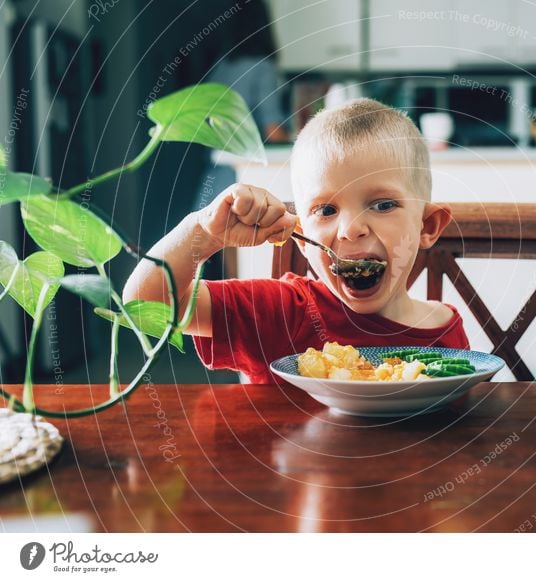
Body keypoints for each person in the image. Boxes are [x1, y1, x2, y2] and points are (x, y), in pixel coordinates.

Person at [123, 98, 469, 383]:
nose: (351, 229)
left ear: (427, 226)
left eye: (382, 205)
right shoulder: (280, 311)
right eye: (327, 209)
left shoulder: (445, 333)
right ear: (302, 240)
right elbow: (143, 303)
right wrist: (205, 232)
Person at [193, 0, 288, 278]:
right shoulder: (263, 67)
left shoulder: (222, 67)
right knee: (246, 255)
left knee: (223, 255)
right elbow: (274, 131)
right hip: (245, 175)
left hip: (214, 172)